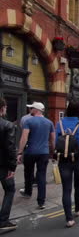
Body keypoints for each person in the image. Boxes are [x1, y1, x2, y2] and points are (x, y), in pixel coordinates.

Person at [17, 102, 55, 210]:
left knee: (28, 172)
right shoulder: (49, 122)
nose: (30, 110)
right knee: (41, 176)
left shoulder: (29, 121)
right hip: (44, 153)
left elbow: (24, 138)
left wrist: (19, 152)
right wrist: (53, 152)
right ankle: (41, 202)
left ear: (36, 110)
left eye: (32, 108)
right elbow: (52, 139)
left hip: (30, 152)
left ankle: (28, 192)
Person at [0, 98, 18, 231]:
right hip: (3, 166)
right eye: (5, 107)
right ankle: (3, 221)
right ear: (2, 108)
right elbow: (10, 148)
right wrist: (12, 167)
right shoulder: (7, 125)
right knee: (10, 190)